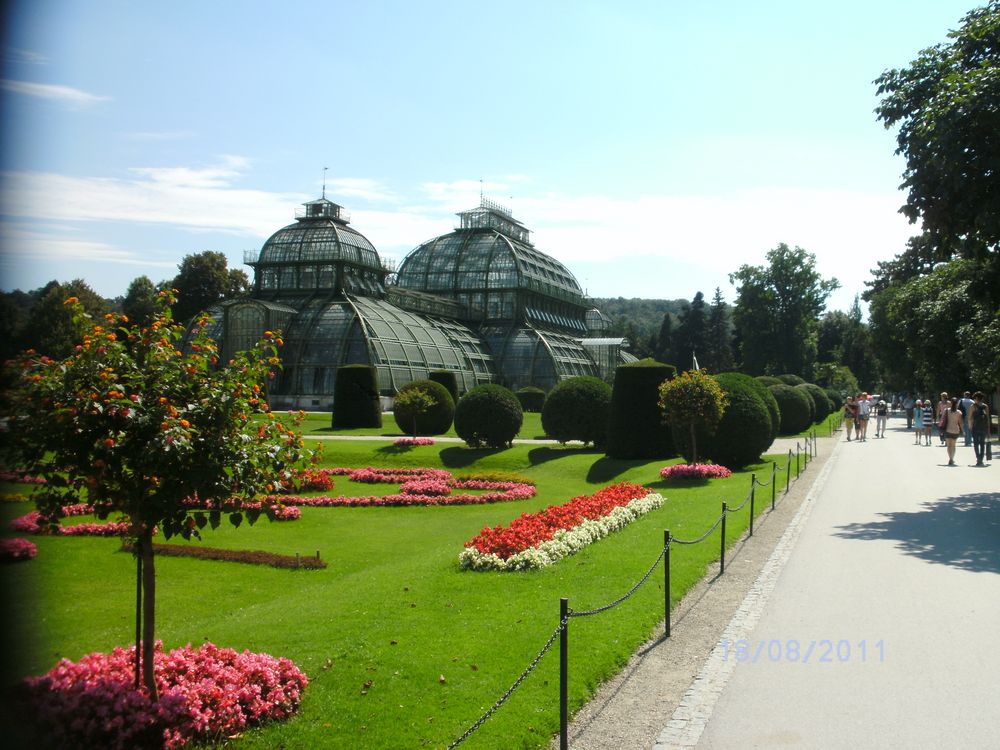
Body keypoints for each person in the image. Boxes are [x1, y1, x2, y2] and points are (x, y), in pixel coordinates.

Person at [969, 391, 992, 466]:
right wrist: (988, 430)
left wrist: (970, 426)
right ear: (982, 398)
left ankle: (978, 458)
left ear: (976, 398)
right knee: (982, 444)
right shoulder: (985, 406)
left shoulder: (973, 406)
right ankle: (981, 459)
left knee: (976, 444)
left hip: (975, 427)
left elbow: (970, 418)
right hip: (983, 428)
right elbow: (988, 418)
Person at [942, 397, 964, 466]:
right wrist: (963, 431)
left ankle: (950, 458)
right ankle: (952, 458)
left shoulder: (946, 410)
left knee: (949, 446)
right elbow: (960, 423)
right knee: (953, 445)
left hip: (947, 430)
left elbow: (942, 419)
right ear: (957, 404)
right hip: (955, 430)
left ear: (951, 403)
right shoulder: (959, 412)